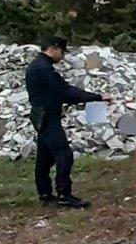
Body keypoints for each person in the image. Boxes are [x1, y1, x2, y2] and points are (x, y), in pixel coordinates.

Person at [25, 36, 109, 208]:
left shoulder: (38, 66)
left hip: (42, 116)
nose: (63, 57)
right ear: (54, 48)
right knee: (64, 154)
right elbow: (65, 92)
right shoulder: (44, 69)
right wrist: (97, 97)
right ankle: (64, 194)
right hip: (48, 117)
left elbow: (58, 94)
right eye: (62, 52)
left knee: (44, 158)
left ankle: (46, 194)